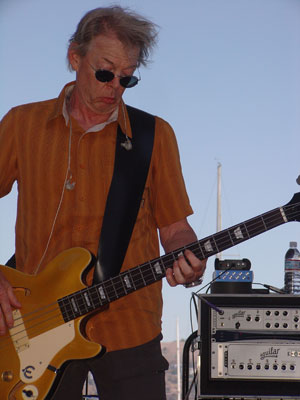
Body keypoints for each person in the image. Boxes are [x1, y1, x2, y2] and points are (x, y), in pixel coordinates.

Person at [0, 6, 206, 400]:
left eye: (127, 77)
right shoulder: (22, 125)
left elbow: (176, 229)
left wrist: (189, 260)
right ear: (75, 57)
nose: (115, 86)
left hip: (130, 324)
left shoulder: (153, 135)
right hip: (36, 327)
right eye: (105, 72)